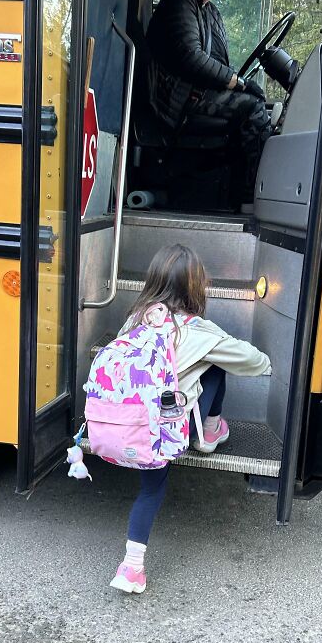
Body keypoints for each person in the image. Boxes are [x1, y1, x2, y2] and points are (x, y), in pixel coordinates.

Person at [110, 244, 271, 593]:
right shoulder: (198, 331)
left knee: (150, 492)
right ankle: (209, 434)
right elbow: (256, 362)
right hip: (165, 429)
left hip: (129, 423)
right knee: (215, 368)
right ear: (196, 287)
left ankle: (131, 568)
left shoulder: (134, 321)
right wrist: (216, 350)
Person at [146, 0, 271, 213]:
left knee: (259, 105)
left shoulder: (208, 11)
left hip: (195, 93)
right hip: (177, 102)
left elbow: (218, 62)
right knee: (255, 112)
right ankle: (252, 202)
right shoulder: (179, 2)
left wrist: (239, 83)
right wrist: (236, 82)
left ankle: (233, 194)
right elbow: (192, 58)